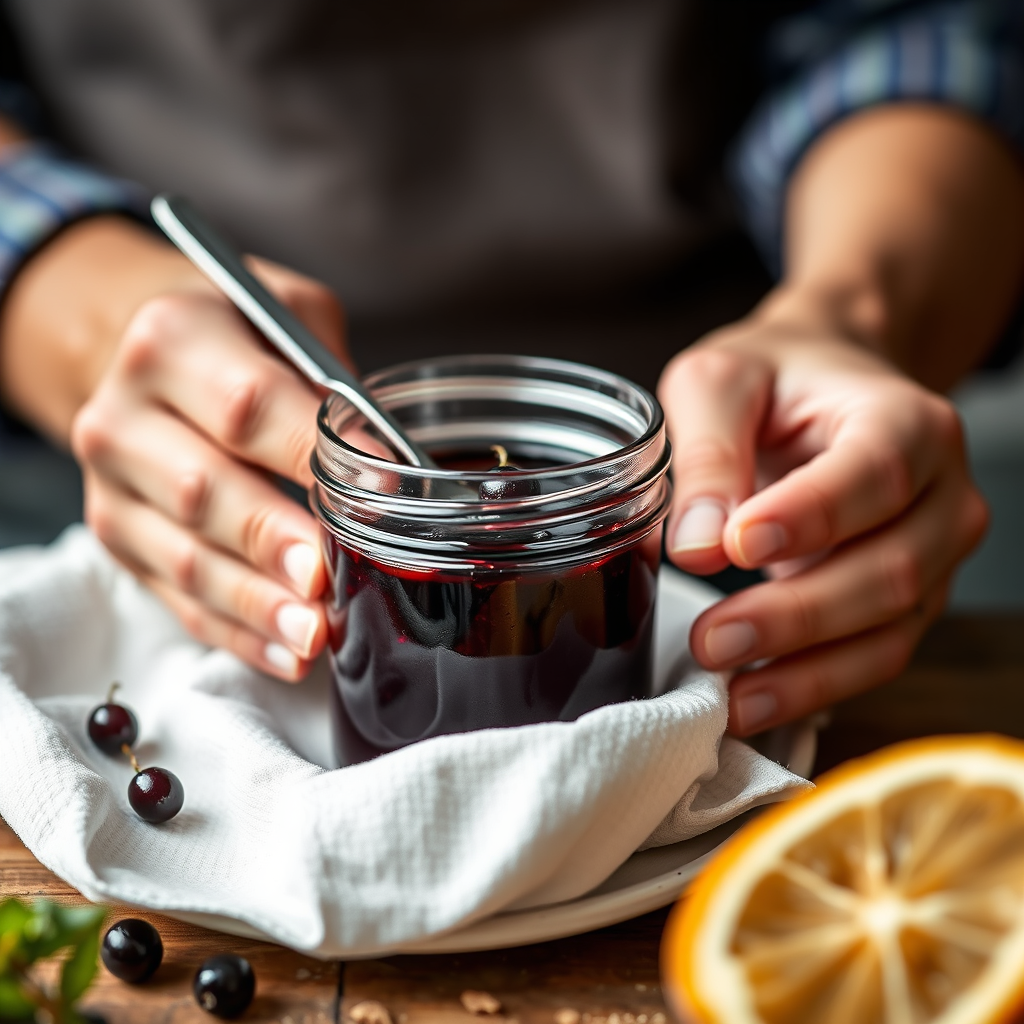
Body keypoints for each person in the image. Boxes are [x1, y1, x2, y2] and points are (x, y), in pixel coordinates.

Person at [0, 1, 1021, 737]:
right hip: (172, 452)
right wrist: (78, 307)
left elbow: (921, 30)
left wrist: (849, 314)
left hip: (734, 442)